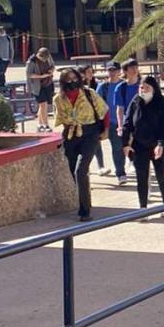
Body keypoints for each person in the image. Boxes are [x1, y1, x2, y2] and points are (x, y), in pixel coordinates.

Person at [54, 68, 109, 221]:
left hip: (90, 133)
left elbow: (104, 110)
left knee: (81, 169)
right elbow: (61, 119)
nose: (72, 82)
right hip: (71, 135)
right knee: (73, 170)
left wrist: (105, 130)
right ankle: (85, 199)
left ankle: (84, 211)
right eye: (68, 79)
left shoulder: (89, 93)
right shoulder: (58, 99)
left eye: (74, 78)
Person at [122, 74, 164, 210]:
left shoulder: (162, 103)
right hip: (139, 145)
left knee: (161, 175)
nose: (143, 90)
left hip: (159, 144)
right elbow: (127, 123)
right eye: (141, 87)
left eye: (146, 87)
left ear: (154, 89)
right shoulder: (135, 101)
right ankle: (143, 207)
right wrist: (125, 144)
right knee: (141, 177)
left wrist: (161, 144)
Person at [99, 62, 129, 184]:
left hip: (124, 122)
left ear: (119, 71)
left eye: (114, 70)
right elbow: (98, 105)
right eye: (109, 70)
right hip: (110, 122)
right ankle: (121, 173)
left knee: (123, 147)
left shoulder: (125, 85)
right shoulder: (103, 87)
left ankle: (125, 169)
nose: (112, 73)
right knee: (117, 148)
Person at [113, 57, 142, 161]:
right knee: (129, 142)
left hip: (144, 119)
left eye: (136, 67)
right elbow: (119, 108)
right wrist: (120, 125)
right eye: (131, 68)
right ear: (125, 71)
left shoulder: (143, 85)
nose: (135, 70)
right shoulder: (121, 88)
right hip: (129, 120)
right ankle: (132, 160)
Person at [25, 46, 56, 130]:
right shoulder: (31, 62)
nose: (44, 60)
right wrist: (41, 76)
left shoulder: (49, 58)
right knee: (43, 104)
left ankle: (39, 124)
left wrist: (50, 71)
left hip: (48, 84)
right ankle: (46, 125)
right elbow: (29, 75)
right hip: (37, 86)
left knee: (43, 106)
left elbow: (53, 66)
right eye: (42, 58)